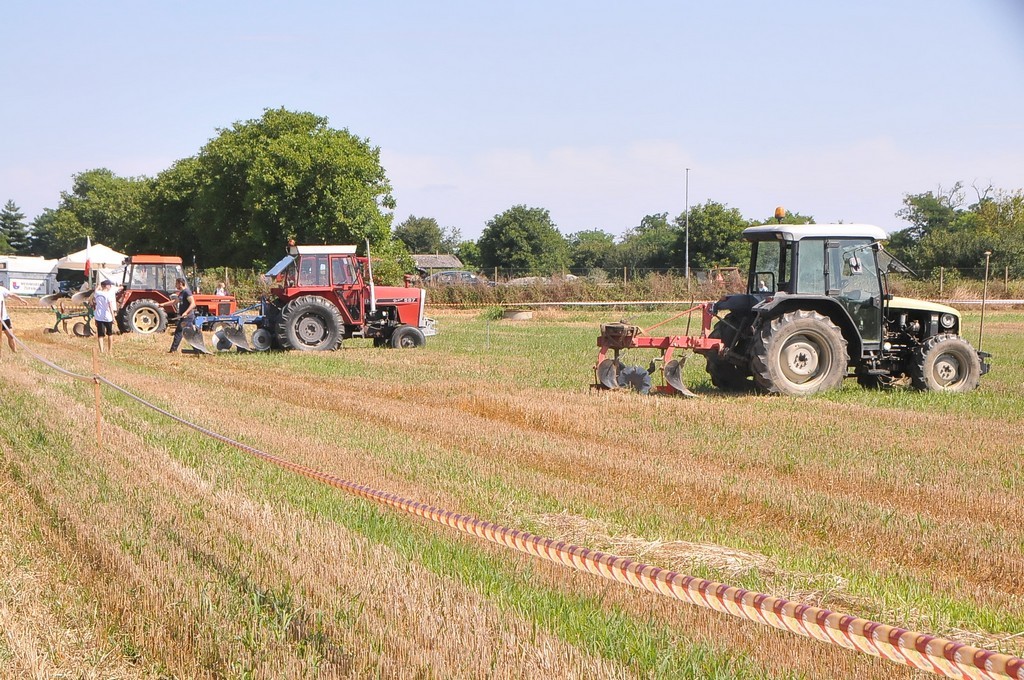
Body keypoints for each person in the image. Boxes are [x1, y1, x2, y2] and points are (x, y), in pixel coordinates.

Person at [162, 277, 196, 353]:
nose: (175, 285)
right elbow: (174, 302)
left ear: (180, 284)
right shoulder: (182, 293)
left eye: (176, 283)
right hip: (185, 317)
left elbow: (193, 304)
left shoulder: (187, 292)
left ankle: (173, 350)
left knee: (179, 332)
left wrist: (186, 312)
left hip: (187, 317)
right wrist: (163, 304)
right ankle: (198, 349)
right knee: (190, 334)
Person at [92, 279, 119, 355]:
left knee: (100, 335)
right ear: (107, 286)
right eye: (110, 285)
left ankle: (101, 351)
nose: (110, 286)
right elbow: (110, 307)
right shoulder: (108, 295)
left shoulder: (97, 293)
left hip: (98, 316)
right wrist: (113, 317)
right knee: (110, 334)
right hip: (107, 317)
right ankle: (110, 350)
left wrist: (98, 286)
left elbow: (95, 291)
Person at [0, 284, 28, 355]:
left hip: (4, 318)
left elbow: (11, 295)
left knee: (11, 336)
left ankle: (15, 352)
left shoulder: (1, 289)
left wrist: (20, 299)